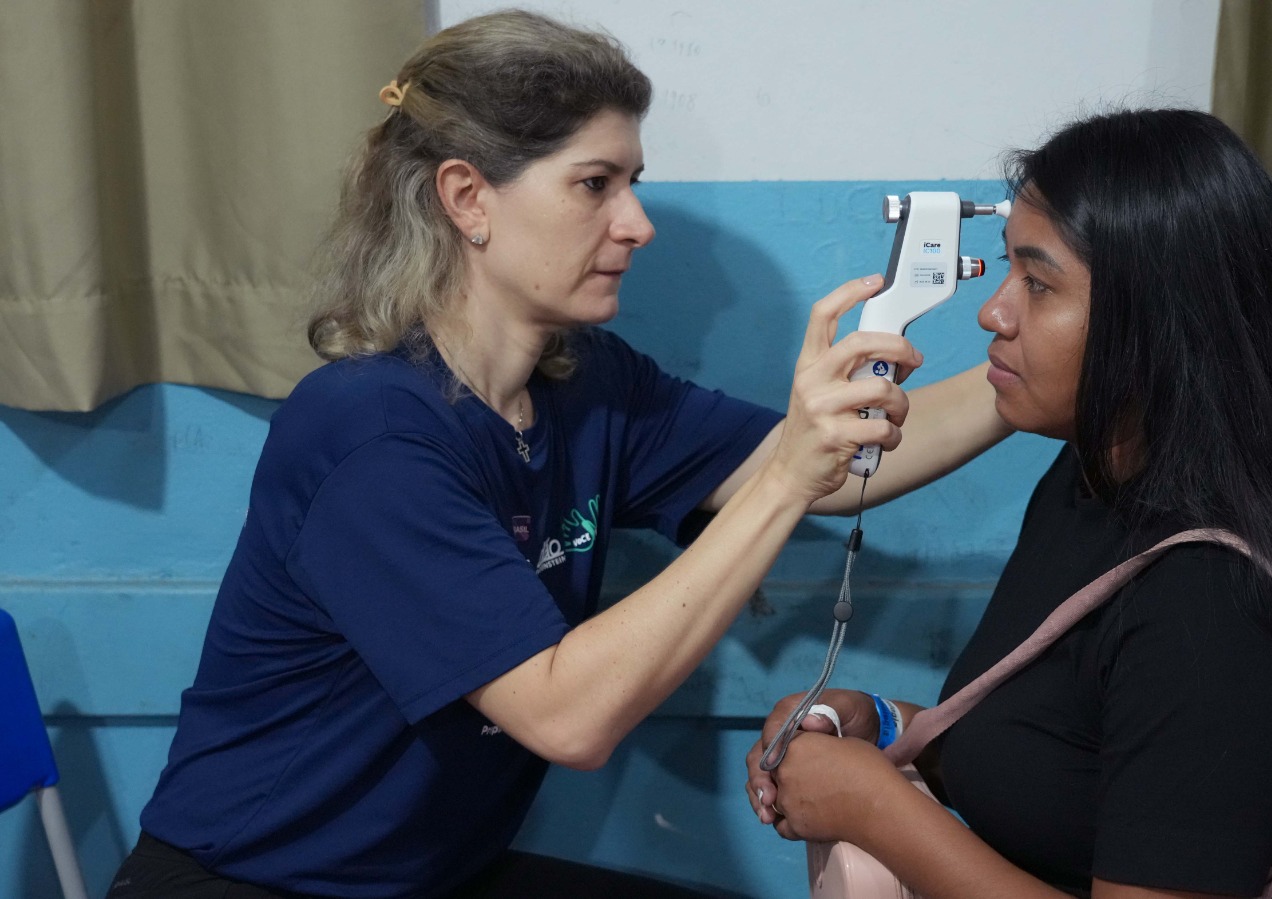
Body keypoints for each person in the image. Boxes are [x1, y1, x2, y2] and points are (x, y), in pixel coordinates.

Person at [106, 11, 1008, 899]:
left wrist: (1038, 380)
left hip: (434, 875)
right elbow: (566, 715)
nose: (636, 223)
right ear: (467, 199)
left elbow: (832, 464)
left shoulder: (585, 382)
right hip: (252, 881)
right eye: (595, 184)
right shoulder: (369, 432)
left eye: (634, 182)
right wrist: (785, 476)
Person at [746, 108, 1272, 899]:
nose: (994, 313)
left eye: (1038, 284)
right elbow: (1076, 751)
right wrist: (892, 726)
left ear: (1159, 320)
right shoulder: (1092, 480)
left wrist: (875, 809)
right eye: (1008, 272)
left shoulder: (1210, 607)